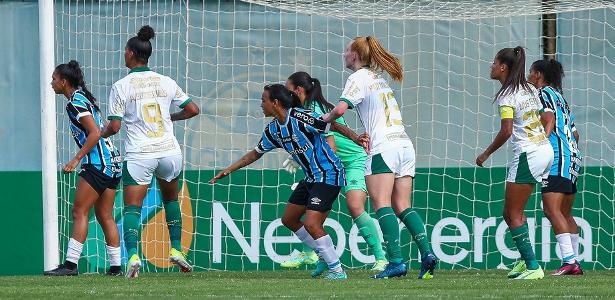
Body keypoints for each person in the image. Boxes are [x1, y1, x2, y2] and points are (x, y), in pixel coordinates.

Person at [210, 84, 367, 280]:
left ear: (275, 103)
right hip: (311, 178)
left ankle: (337, 270)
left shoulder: (301, 117)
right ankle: (325, 256)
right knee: (289, 219)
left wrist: (356, 137)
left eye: (263, 100)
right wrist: (228, 170)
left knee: (312, 223)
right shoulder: (273, 129)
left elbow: (332, 125)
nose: (261, 105)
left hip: (329, 174)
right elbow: (255, 154)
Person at [322, 36, 438, 279]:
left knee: (382, 204)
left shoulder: (358, 77)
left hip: (384, 147)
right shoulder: (379, 79)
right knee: (403, 205)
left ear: (354, 55)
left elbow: (341, 109)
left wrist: (323, 119)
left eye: (346, 51)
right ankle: (427, 253)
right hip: (405, 145)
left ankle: (396, 261)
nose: (343, 55)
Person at [101, 25, 200, 278]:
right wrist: (170, 119)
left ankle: (133, 255)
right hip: (169, 152)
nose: (124, 55)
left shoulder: (121, 86)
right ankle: (177, 249)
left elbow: (114, 125)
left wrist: (99, 135)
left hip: (140, 154)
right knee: (170, 201)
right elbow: (193, 110)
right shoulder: (166, 81)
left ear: (133, 53)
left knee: (133, 208)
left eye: (125, 51)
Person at [281, 71, 388, 273]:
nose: (285, 96)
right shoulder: (301, 110)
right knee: (313, 214)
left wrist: (312, 177)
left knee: (355, 206)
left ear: (298, 90)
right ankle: (316, 254)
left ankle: (380, 257)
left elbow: (331, 147)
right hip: (331, 165)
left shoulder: (315, 109)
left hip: (353, 161)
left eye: (287, 90)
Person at [476, 46, 554, 280]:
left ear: (503, 67)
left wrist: (486, 154)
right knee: (509, 213)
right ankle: (524, 260)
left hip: (528, 154)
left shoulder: (507, 95)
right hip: (543, 151)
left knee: (513, 212)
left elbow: (507, 130)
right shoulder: (529, 88)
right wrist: (542, 139)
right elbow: (548, 117)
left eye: (493, 62)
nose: (490, 66)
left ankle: (533, 267)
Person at [45, 60, 122, 276]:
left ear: (64, 81)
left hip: (98, 164)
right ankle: (116, 267)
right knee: (105, 214)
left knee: (79, 211)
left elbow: (95, 132)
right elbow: (103, 129)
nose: (51, 83)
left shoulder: (75, 103)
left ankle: (70, 265)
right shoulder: (84, 98)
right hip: (114, 163)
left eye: (54, 79)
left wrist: (76, 159)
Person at [528, 59, 583, 275]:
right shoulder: (561, 98)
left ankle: (569, 261)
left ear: (539, 74)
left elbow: (548, 119)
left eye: (531, 72)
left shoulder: (542, 94)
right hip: (573, 157)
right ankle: (574, 262)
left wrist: (541, 142)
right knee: (565, 213)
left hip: (558, 157)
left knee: (551, 209)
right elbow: (576, 134)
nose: (529, 76)